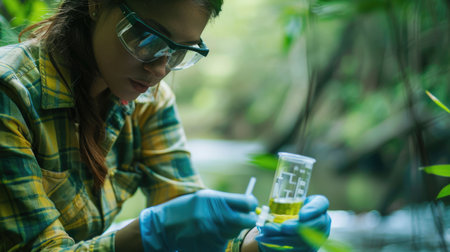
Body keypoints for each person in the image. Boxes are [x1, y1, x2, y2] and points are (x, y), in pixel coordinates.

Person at [0, 0, 331, 251]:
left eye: (179, 51)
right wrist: (147, 233)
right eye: (147, 37)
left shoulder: (148, 102)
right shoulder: (10, 94)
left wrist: (264, 242)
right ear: (97, 4)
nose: (160, 69)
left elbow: (197, 229)